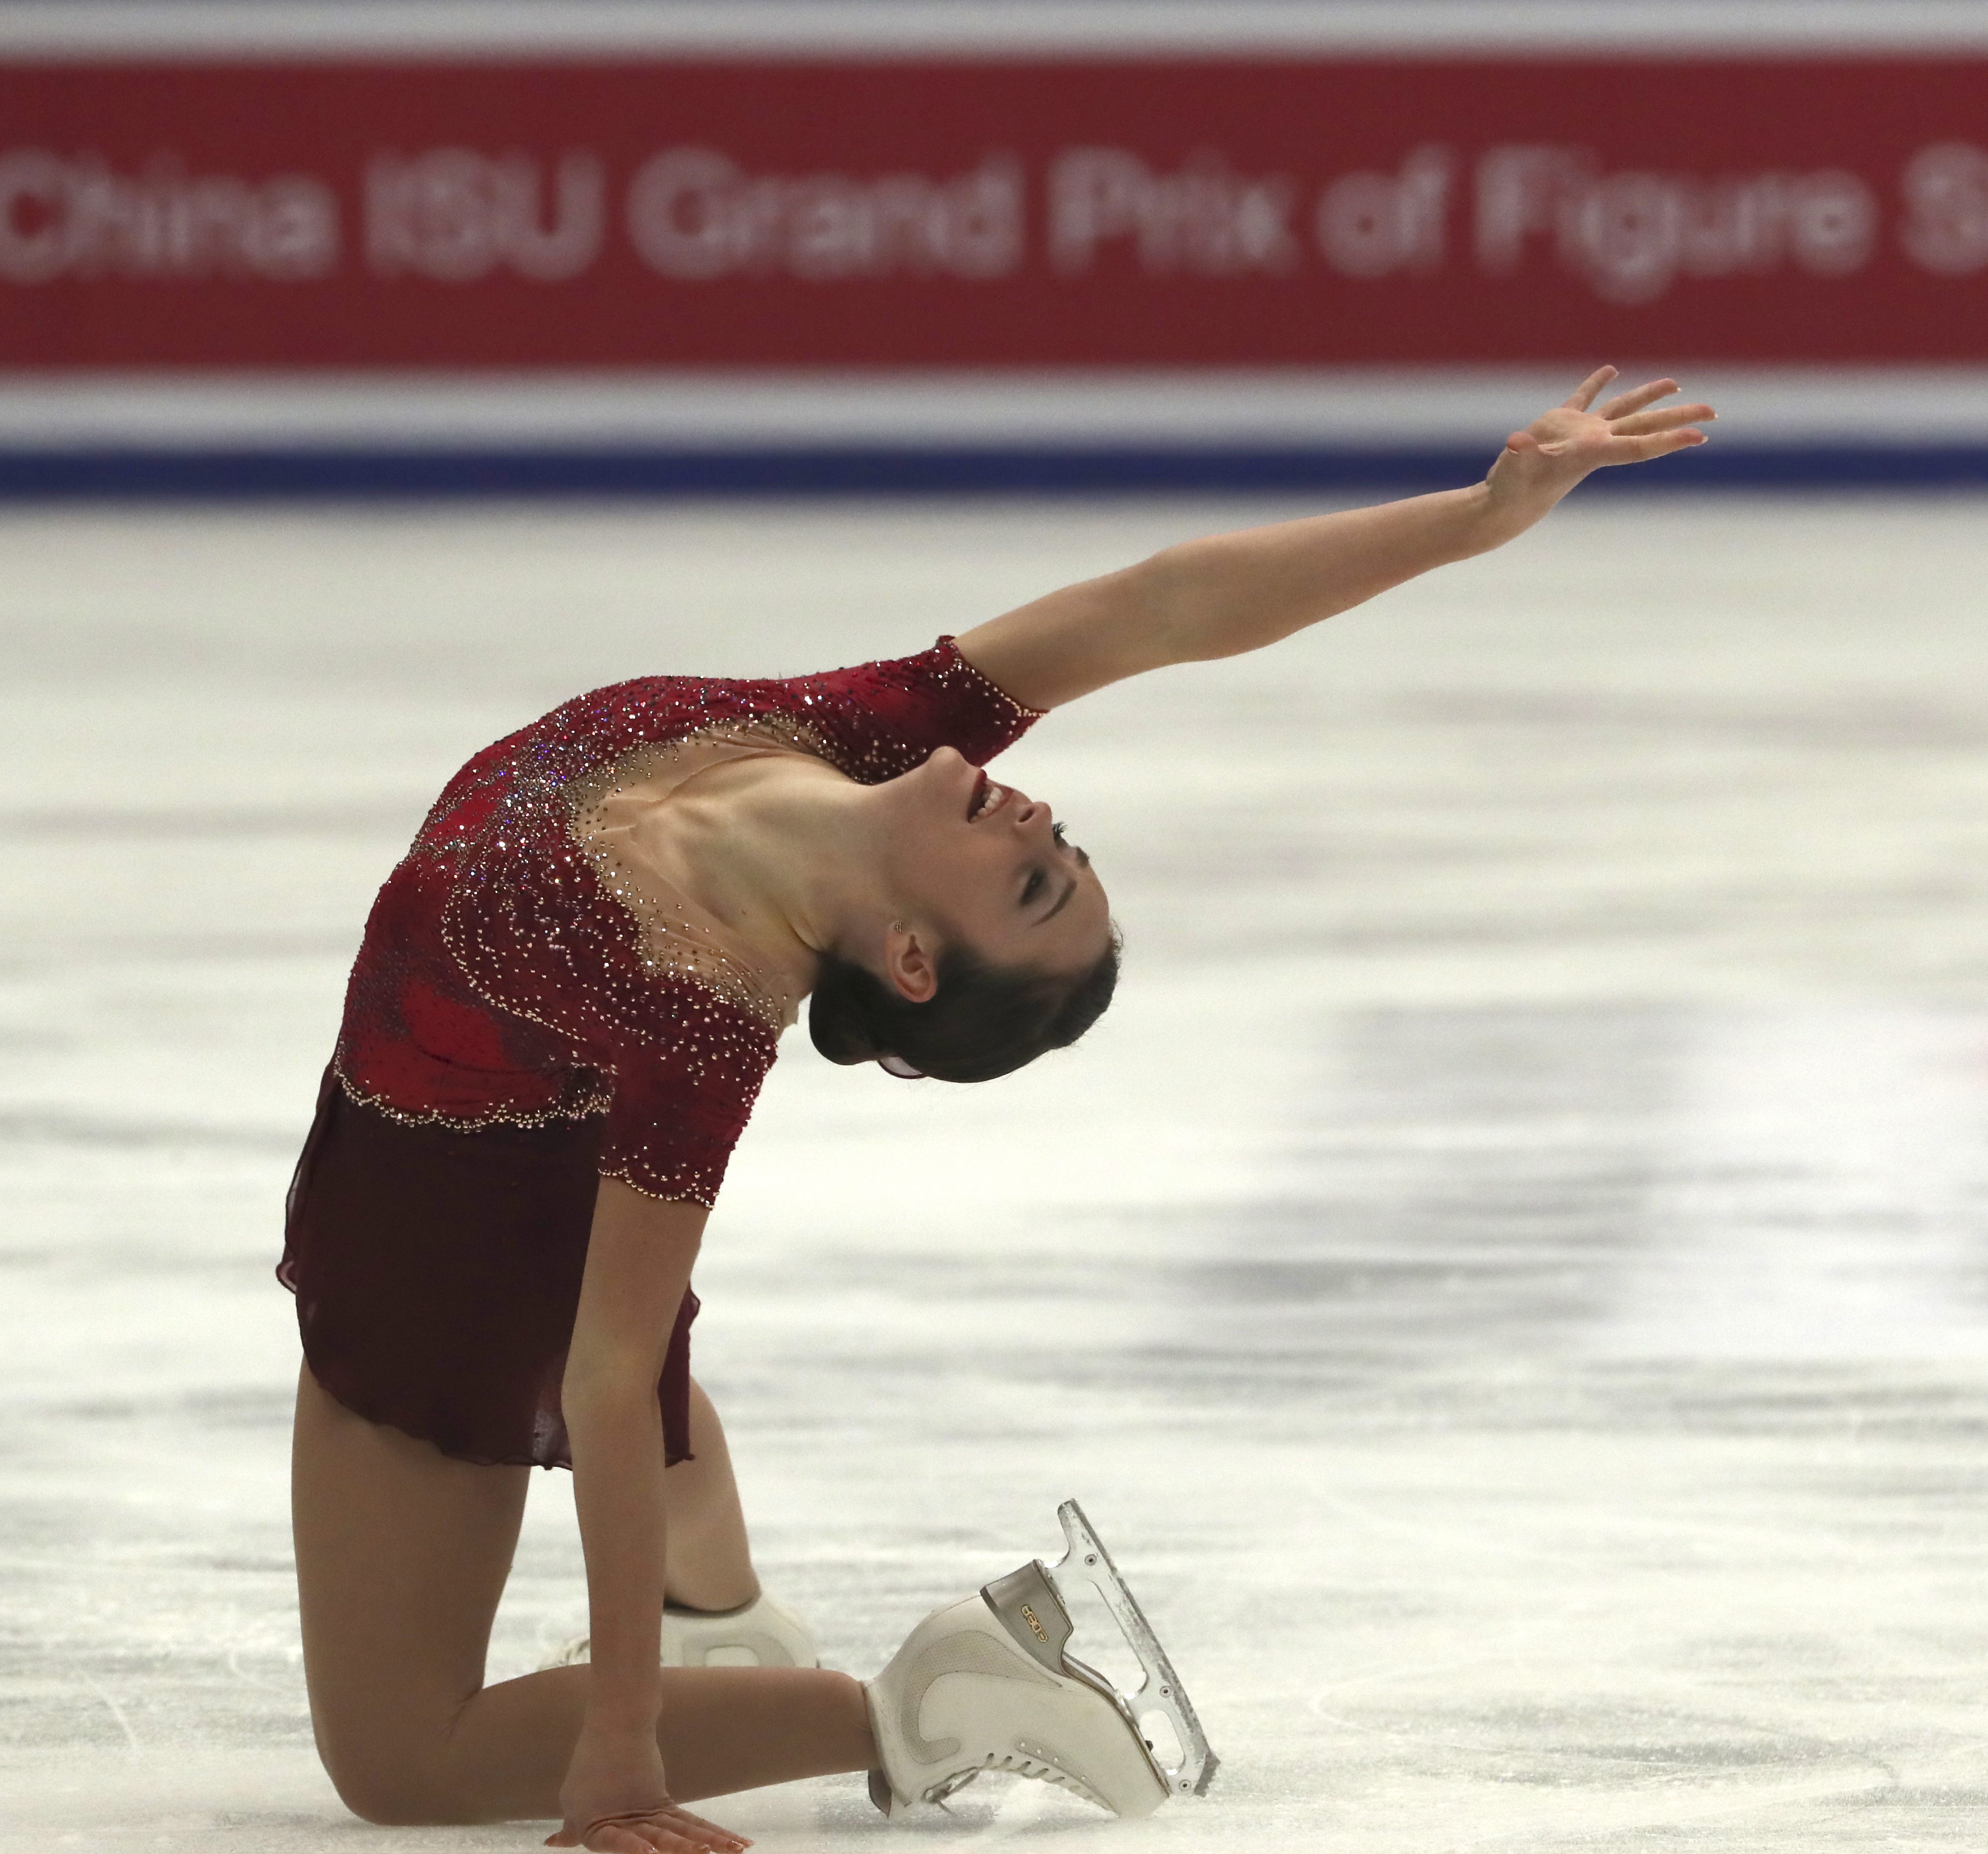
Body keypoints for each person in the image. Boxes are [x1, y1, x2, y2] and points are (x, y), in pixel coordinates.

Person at [278, 367, 1715, 1851]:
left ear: (910, 959)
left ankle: (934, 1701)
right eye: (1063, 849)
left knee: (401, 1763)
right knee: (657, 1409)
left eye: (1033, 886)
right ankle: (724, 1620)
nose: (1036, 818)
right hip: (457, 1179)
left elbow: (605, 1374)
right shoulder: (858, 735)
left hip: (439, 1272)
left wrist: (626, 1748)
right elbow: (1163, 608)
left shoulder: (696, 1017)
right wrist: (1479, 519)